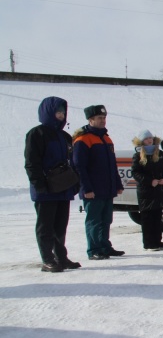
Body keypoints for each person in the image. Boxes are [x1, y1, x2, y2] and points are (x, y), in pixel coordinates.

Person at [24, 96, 82, 271]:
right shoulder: (37, 134)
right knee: (46, 226)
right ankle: (47, 259)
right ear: (48, 112)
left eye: (63, 112)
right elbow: (31, 162)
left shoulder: (64, 136)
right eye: (58, 112)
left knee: (60, 225)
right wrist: (38, 184)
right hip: (45, 189)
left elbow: (71, 161)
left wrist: (75, 182)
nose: (61, 116)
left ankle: (61, 257)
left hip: (63, 188)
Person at [72, 105, 125, 260]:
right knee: (94, 221)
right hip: (93, 189)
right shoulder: (83, 139)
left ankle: (104, 246)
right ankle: (94, 249)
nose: (103, 121)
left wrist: (117, 183)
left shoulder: (106, 138)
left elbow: (112, 165)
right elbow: (79, 167)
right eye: (99, 118)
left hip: (107, 188)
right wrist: (86, 188)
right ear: (91, 120)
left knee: (106, 219)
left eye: (104, 118)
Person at [131, 130, 163, 251]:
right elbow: (135, 172)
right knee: (147, 218)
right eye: (147, 139)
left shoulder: (160, 153)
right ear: (142, 141)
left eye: (151, 138)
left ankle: (158, 241)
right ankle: (149, 243)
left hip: (159, 190)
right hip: (146, 192)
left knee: (157, 216)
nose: (149, 140)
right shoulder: (138, 155)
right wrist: (149, 181)